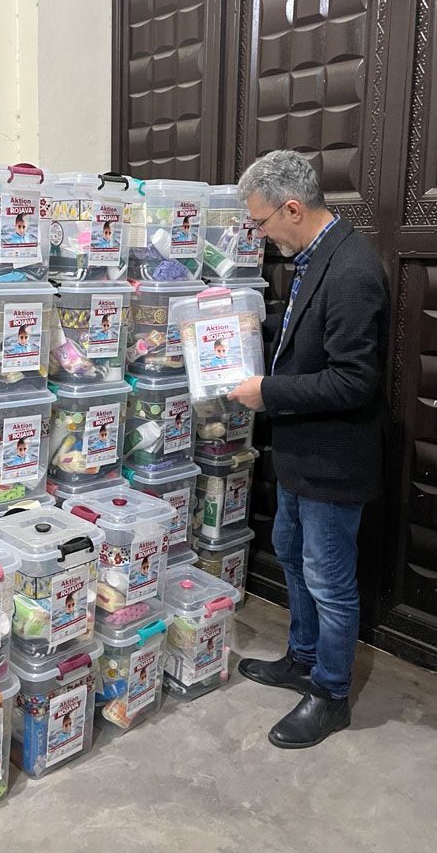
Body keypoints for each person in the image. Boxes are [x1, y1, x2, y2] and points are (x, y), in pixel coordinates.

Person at [228, 150, 390, 749]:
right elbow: (302, 336)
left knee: (329, 579)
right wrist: (247, 331)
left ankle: (330, 692)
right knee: (294, 556)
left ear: (292, 208)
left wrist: (266, 392)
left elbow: (353, 381)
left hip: (332, 461)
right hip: (301, 454)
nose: (261, 235)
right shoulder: (313, 258)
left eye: (262, 222)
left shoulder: (351, 270)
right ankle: (301, 658)